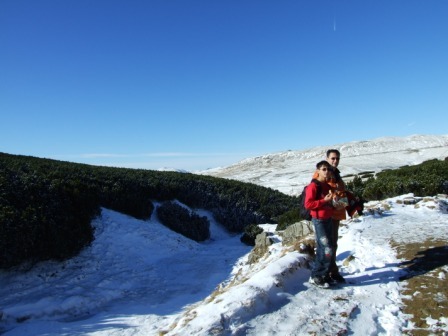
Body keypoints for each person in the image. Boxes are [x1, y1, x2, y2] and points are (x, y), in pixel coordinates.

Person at [305, 160, 335, 288]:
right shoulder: (313, 186)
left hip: (328, 219)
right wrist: (324, 201)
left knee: (328, 247)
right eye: (323, 169)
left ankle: (323, 275)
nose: (326, 171)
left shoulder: (327, 186)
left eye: (328, 169)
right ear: (317, 171)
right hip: (319, 221)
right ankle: (316, 276)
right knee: (326, 248)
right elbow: (308, 204)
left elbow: (328, 203)